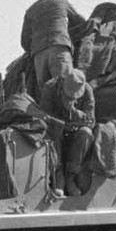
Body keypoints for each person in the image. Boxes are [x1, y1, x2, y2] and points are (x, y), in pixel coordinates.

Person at [20, 0, 86, 96]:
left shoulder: (30, 11)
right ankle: (68, 114)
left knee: (46, 93)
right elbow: (81, 22)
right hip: (59, 49)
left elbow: (24, 41)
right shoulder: (61, 3)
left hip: (39, 55)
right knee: (66, 86)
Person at [38, 68, 96, 196]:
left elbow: (91, 121)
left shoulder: (87, 90)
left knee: (86, 133)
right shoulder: (50, 87)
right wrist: (62, 124)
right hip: (56, 129)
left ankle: (70, 178)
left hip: (75, 131)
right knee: (53, 132)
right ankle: (59, 178)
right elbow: (44, 115)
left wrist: (74, 111)